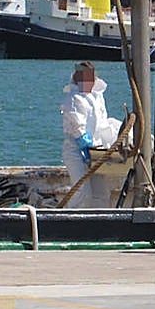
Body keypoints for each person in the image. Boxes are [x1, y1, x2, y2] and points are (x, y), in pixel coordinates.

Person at [60, 61, 119, 208]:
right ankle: (69, 219)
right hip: (76, 152)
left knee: (101, 192)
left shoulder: (97, 96)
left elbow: (102, 123)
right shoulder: (73, 99)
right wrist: (85, 144)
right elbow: (77, 127)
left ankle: (99, 222)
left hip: (97, 151)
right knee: (82, 190)